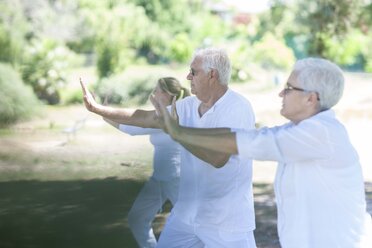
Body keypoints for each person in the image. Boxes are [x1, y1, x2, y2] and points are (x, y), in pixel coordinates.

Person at [153, 57, 372, 248]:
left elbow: (253, 141)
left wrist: (178, 132)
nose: (280, 93)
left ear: (311, 98)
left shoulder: (320, 133)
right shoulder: (301, 129)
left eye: (289, 88)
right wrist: (180, 131)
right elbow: (245, 134)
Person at [80, 47, 257, 247]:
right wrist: (98, 108)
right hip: (186, 216)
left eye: (194, 71)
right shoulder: (188, 105)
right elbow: (145, 117)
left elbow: (218, 158)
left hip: (226, 222)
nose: (187, 76)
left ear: (212, 75)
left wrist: (176, 132)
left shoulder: (237, 108)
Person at [103, 77, 189, 247]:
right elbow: (132, 122)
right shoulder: (163, 112)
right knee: (138, 218)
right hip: (159, 178)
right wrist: (105, 114)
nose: (153, 93)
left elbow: (131, 128)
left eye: (157, 90)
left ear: (167, 94)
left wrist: (103, 112)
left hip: (176, 178)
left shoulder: (168, 114)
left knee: (191, 224)